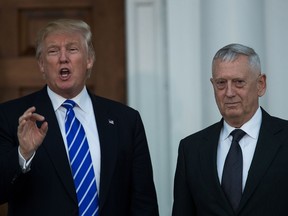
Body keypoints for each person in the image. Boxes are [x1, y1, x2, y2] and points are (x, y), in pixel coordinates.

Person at [0, 19, 159, 216]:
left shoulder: (126, 120)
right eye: (53, 51)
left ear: (89, 59)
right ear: (41, 64)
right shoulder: (11, 117)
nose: (63, 58)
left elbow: (143, 201)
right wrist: (23, 154)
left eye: (72, 49)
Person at [172, 43, 288, 216]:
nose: (229, 92)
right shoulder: (191, 149)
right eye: (221, 83)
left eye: (239, 82)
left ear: (260, 84)